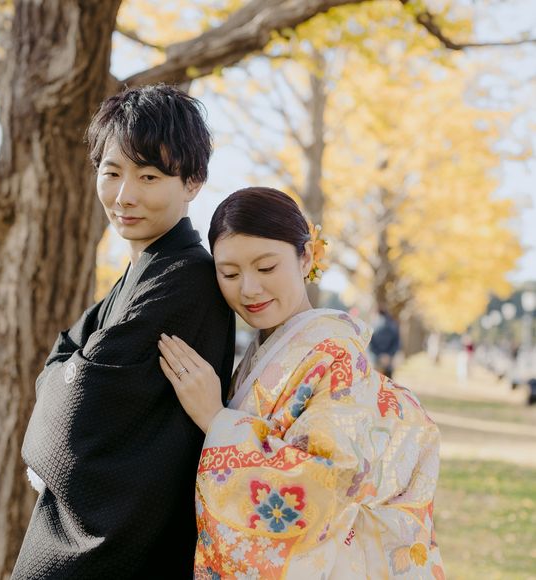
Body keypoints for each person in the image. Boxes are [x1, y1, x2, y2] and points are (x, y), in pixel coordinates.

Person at [158, 187, 444, 578]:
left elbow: (326, 481)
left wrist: (216, 420)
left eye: (266, 268)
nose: (248, 288)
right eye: (229, 273)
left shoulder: (337, 354)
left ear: (305, 256)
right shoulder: (267, 350)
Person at [11, 84, 236, 579]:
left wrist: (68, 370)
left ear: (193, 182)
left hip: (120, 545)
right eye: (111, 172)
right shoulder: (143, 272)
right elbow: (61, 358)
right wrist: (69, 367)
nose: (124, 195)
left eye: (149, 176)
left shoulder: (188, 280)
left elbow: (78, 406)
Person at [369, 307, 401, 379]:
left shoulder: (391, 326)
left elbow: (396, 342)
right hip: (378, 360)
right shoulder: (373, 325)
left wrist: (388, 355)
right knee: (380, 380)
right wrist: (381, 355)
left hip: (387, 360)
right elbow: (371, 343)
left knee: (384, 379)